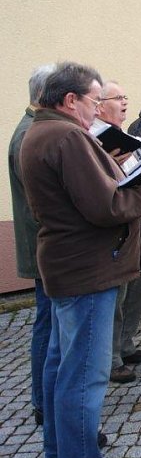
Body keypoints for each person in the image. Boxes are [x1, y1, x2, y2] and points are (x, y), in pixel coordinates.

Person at [20, 62, 141, 458]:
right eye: (94, 101)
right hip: (87, 268)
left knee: (61, 366)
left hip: (68, 264)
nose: (98, 109)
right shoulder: (67, 136)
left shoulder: (42, 130)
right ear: (71, 101)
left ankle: (59, 451)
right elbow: (105, 206)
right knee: (84, 377)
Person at [94, 80, 141, 384]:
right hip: (117, 230)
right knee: (117, 296)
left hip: (140, 222)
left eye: (125, 96)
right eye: (117, 97)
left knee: (138, 288)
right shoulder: (93, 139)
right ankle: (112, 358)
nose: (124, 102)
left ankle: (127, 344)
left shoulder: (127, 137)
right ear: (98, 105)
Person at [8, 64, 55, 425]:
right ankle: (43, 401)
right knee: (47, 323)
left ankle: (46, 398)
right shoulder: (31, 134)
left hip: (45, 243)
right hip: (44, 245)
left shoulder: (33, 130)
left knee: (49, 321)